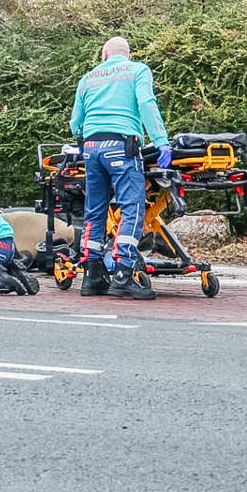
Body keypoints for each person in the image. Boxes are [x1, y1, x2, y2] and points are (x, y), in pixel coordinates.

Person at [69, 35, 170, 300]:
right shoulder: (138, 70)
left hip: (90, 149)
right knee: (132, 208)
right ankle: (124, 275)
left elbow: (74, 122)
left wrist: (86, 137)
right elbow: (147, 104)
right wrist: (161, 142)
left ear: (104, 55)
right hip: (122, 146)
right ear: (128, 54)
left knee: (95, 210)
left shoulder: (88, 78)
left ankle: (91, 276)